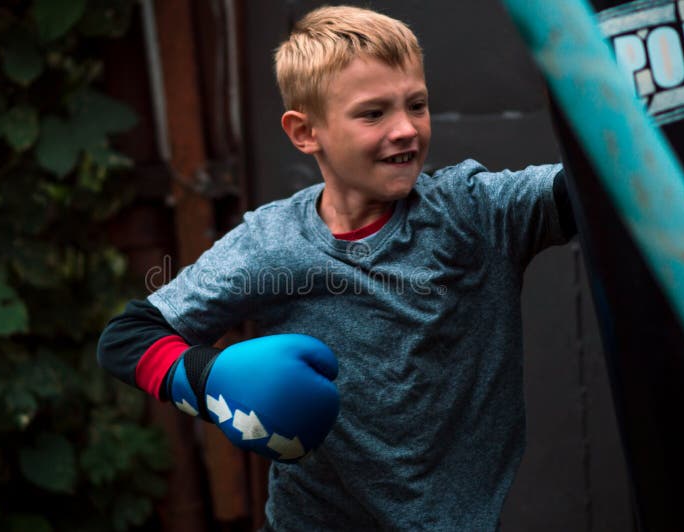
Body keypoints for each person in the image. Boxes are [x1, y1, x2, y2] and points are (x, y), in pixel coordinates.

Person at [97, 5, 576, 530]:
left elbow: (588, 192)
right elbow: (127, 337)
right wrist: (211, 381)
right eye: (373, 114)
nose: (405, 130)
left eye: (416, 105)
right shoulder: (272, 243)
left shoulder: (476, 212)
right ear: (305, 132)